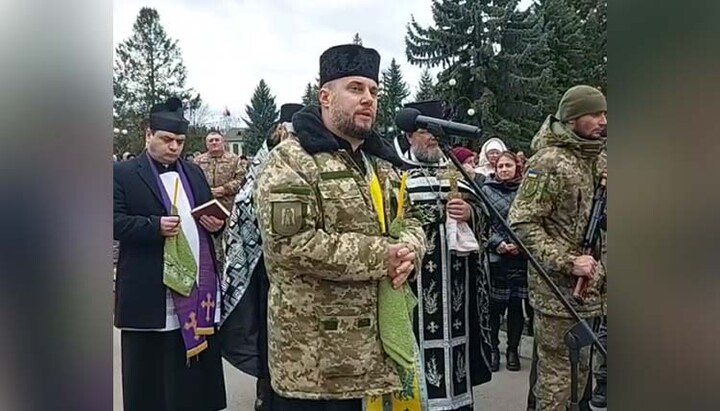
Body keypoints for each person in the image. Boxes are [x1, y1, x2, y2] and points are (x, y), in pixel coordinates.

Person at [254, 44, 427, 411]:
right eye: (355, 88)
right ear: (325, 96)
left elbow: (411, 218)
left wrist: (411, 249)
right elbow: (293, 245)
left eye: (374, 91)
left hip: (375, 355)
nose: (368, 99)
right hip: (314, 362)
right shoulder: (292, 160)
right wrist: (384, 256)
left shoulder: (382, 162)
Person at [113, 97, 227, 411]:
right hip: (149, 286)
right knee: (150, 367)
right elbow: (112, 221)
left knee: (190, 371)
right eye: (166, 139)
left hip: (196, 285)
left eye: (179, 141)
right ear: (148, 134)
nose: (174, 147)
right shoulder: (122, 173)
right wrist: (154, 226)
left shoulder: (193, 172)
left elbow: (207, 216)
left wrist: (216, 225)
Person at [508, 85, 607, 410]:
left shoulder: (598, 159)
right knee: (556, 385)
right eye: (595, 114)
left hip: (593, 293)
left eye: (605, 113)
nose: (603, 121)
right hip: (557, 295)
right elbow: (521, 224)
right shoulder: (549, 162)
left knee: (581, 381)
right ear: (572, 118)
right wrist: (567, 261)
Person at [394, 99, 492, 411]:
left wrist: (471, 214)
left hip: (457, 291)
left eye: (437, 131)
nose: (433, 138)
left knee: (457, 354)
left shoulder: (458, 174)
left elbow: (487, 221)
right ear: (410, 135)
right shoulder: (395, 174)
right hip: (413, 288)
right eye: (426, 131)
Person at [219, 102, 304, 411]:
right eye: (287, 132)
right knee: (268, 333)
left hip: (305, 270)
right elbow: (244, 206)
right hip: (265, 267)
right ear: (279, 131)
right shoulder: (263, 163)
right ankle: (266, 392)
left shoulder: (312, 160)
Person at [480, 151, 528, 372]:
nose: (504, 170)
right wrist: (497, 242)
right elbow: (482, 221)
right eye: (500, 166)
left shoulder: (525, 190)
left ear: (517, 166)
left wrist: (520, 243)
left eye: (508, 165)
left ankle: (513, 350)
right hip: (496, 257)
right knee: (494, 307)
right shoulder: (487, 190)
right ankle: (493, 349)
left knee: (516, 306)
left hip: (520, 257)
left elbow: (531, 221)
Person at [194, 130, 247, 266]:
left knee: (230, 244)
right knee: (208, 245)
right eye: (211, 141)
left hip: (229, 209)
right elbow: (192, 180)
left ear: (223, 142)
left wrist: (225, 189)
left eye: (217, 140)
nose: (214, 143)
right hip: (206, 209)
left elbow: (242, 180)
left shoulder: (235, 160)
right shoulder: (198, 161)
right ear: (206, 144)